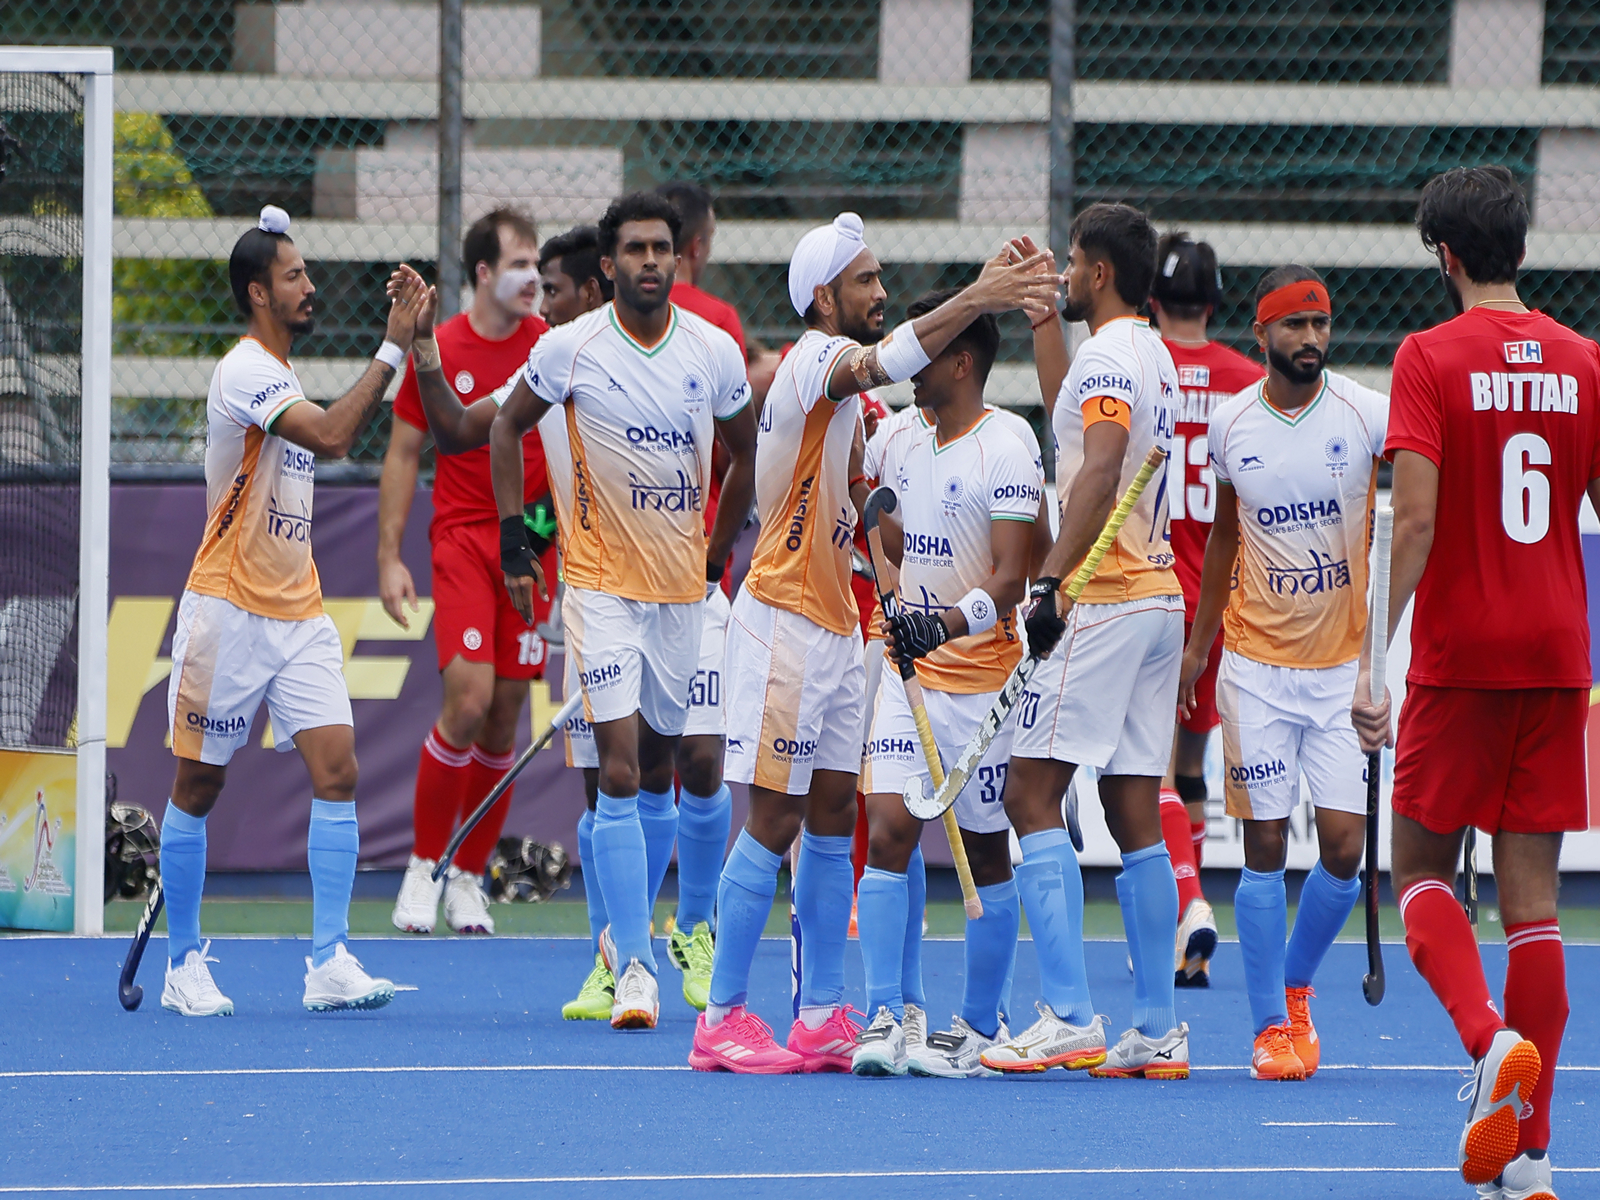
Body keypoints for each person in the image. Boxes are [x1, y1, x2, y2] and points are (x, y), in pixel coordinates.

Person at [688, 212, 1059, 1074]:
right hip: (782, 617)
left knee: (827, 822)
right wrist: (981, 290)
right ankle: (723, 1016)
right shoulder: (816, 360)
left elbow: (884, 473)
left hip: (836, 624)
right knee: (775, 817)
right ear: (825, 296)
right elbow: (892, 358)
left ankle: (821, 1011)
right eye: (867, 281)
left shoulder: (861, 410)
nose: (882, 294)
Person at [1353, 165, 1597, 1198]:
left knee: (1416, 868)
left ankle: (1483, 1038)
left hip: (1462, 656)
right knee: (1533, 905)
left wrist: (1373, 657)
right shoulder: (1586, 361)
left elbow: (1411, 521)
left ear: (1444, 258)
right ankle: (1535, 1160)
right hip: (1556, 652)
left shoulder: (1427, 357)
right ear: (1521, 252)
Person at [489, 191, 758, 1031]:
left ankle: (691, 932)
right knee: (617, 769)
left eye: (662, 248)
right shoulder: (570, 348)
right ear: (608, 266)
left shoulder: (712, 353)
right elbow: (502, 429)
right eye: (635, 249)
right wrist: (513, 537)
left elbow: (747, 452)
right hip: (600, 591)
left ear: (679, 260)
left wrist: (716, 550)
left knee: (676, 766)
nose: (650, 261)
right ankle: (632, 961)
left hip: (683, 593)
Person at [156, 206, 422, 1017]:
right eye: (295, 276)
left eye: (306, 273)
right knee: (198, 784)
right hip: (227, 609)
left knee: (338, 769)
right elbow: (338, 438)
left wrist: (411, 343)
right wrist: (393, 343)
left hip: (297, 610)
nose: (310, 286)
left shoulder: (283, 373)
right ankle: (182, 965)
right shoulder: (245, 372)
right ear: (258, 293)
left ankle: (328, 960)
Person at [980, 202, 1189, 1080]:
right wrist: (1040, 322)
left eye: (1069, 266)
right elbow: (1078, 420)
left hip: (1102, 597)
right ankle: (1157, 1028)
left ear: (1100, 273)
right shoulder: (1148, 351)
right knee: (1133, 804)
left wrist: (1053, 582)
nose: (1062, 276)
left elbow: (1098, 466)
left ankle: (1069, 1014)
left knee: (1030, 794)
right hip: (1158, 598)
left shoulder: (1111, 354)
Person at [1178, 266, 1386, 1080]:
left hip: (1339, 674)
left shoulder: (1367, 414)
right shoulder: (1232, 425)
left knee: (1343, 850)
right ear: (1261, 336)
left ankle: (1296, 985)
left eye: (1321, 326)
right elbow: (1225, 536)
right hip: (1255, 667)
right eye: (1295, 327)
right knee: (1263, 843)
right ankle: (1270, 1025)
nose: (1311, 341)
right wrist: (1200, 646)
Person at [850, 288, 1044, 1078]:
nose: (908, 362)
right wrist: (886, 569)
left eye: (924, 354)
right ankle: (886, 1015)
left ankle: (972, 1023)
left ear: (960, 363)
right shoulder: (897, 438)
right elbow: (881, 521)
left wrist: (945, 625)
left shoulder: (1010, 444)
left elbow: (1010, 577)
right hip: (911, 674)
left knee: (988, 858)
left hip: (985, 682)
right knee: (891, 830)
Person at [383, 208, 553, 939]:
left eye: (537, 263)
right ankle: (422, 866)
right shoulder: (441, 345)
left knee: (508, 710)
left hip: (533, 541)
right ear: (483, 273)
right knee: (468, 698)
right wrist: (389, 556)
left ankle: (467, 878)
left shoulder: (547, 344)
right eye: (518, 262)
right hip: (460, 536)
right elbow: (402, 454)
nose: (532, 276)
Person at [1150, 231, 1266, 986]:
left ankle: (1186, 905)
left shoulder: (1141, 367)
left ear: (1151, 302)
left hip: (1158, 593)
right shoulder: (1249, 381)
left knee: (1148, 767)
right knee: (1189, 763)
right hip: (1226, 603)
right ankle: (1187, 928)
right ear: (1215, 303)